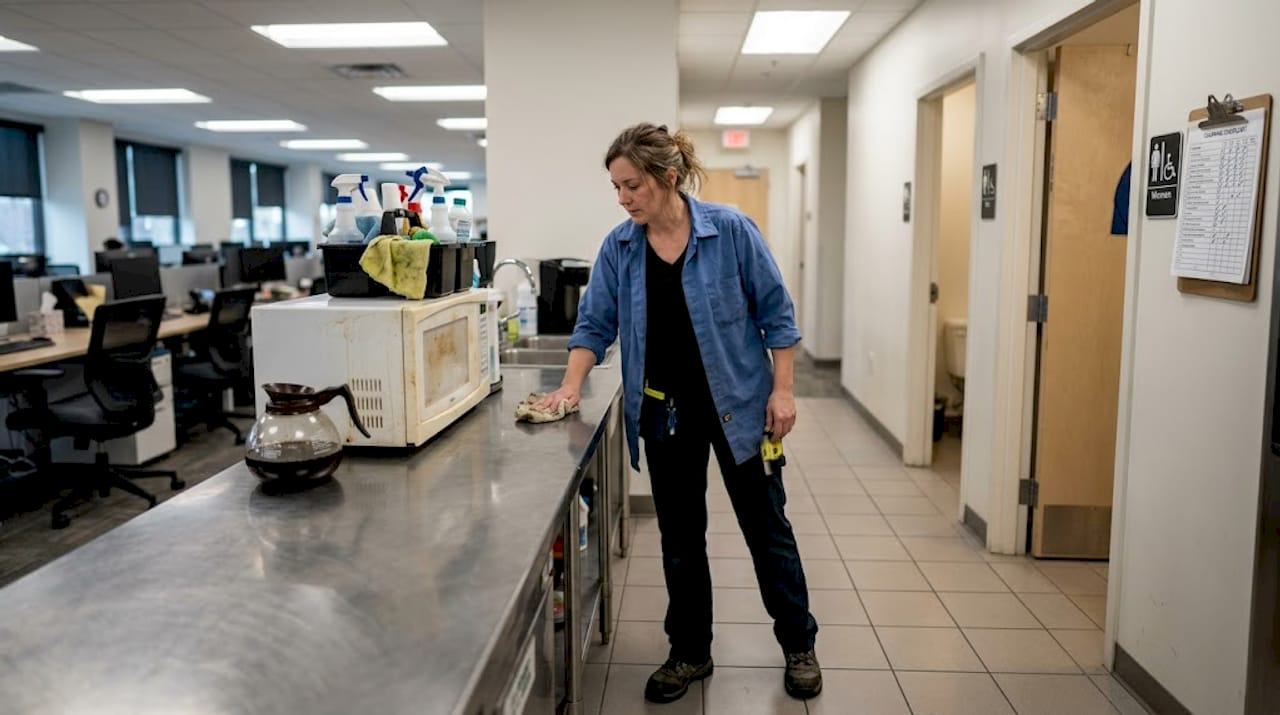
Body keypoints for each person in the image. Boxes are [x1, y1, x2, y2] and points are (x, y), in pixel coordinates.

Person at [539, 123, 821, 702]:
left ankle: (799, 644)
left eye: (632, 185)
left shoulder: (733, 232)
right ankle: (690, 652)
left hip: (741, 408)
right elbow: (594, 324)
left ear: (667, 177)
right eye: (616, 187)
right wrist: (570, 387)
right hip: (665, 414)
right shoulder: (621, 247)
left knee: (767, 531)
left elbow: (778, 317)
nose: (623, 198)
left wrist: (783, 390)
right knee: (680, 539)